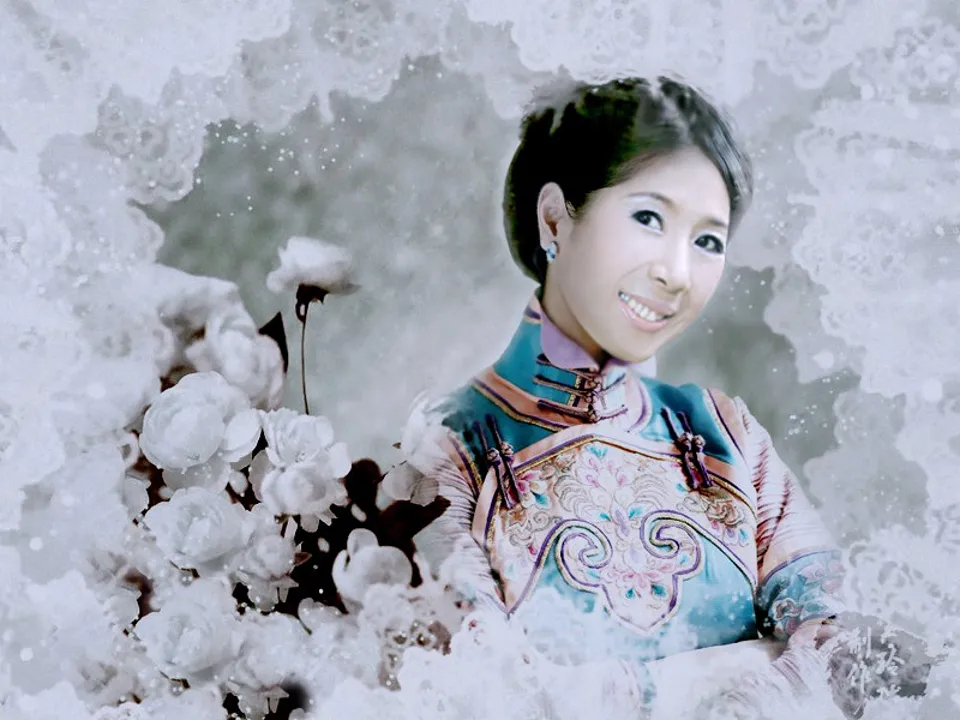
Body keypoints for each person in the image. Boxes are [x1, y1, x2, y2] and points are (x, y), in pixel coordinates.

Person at [413, 76, 929, 716]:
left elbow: (845, 652)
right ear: (553, 218)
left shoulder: (727, 435)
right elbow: (489, 698)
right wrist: (751, 661)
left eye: (707, 241)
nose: (677, 275)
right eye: (648, 218)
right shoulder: (445, 453)